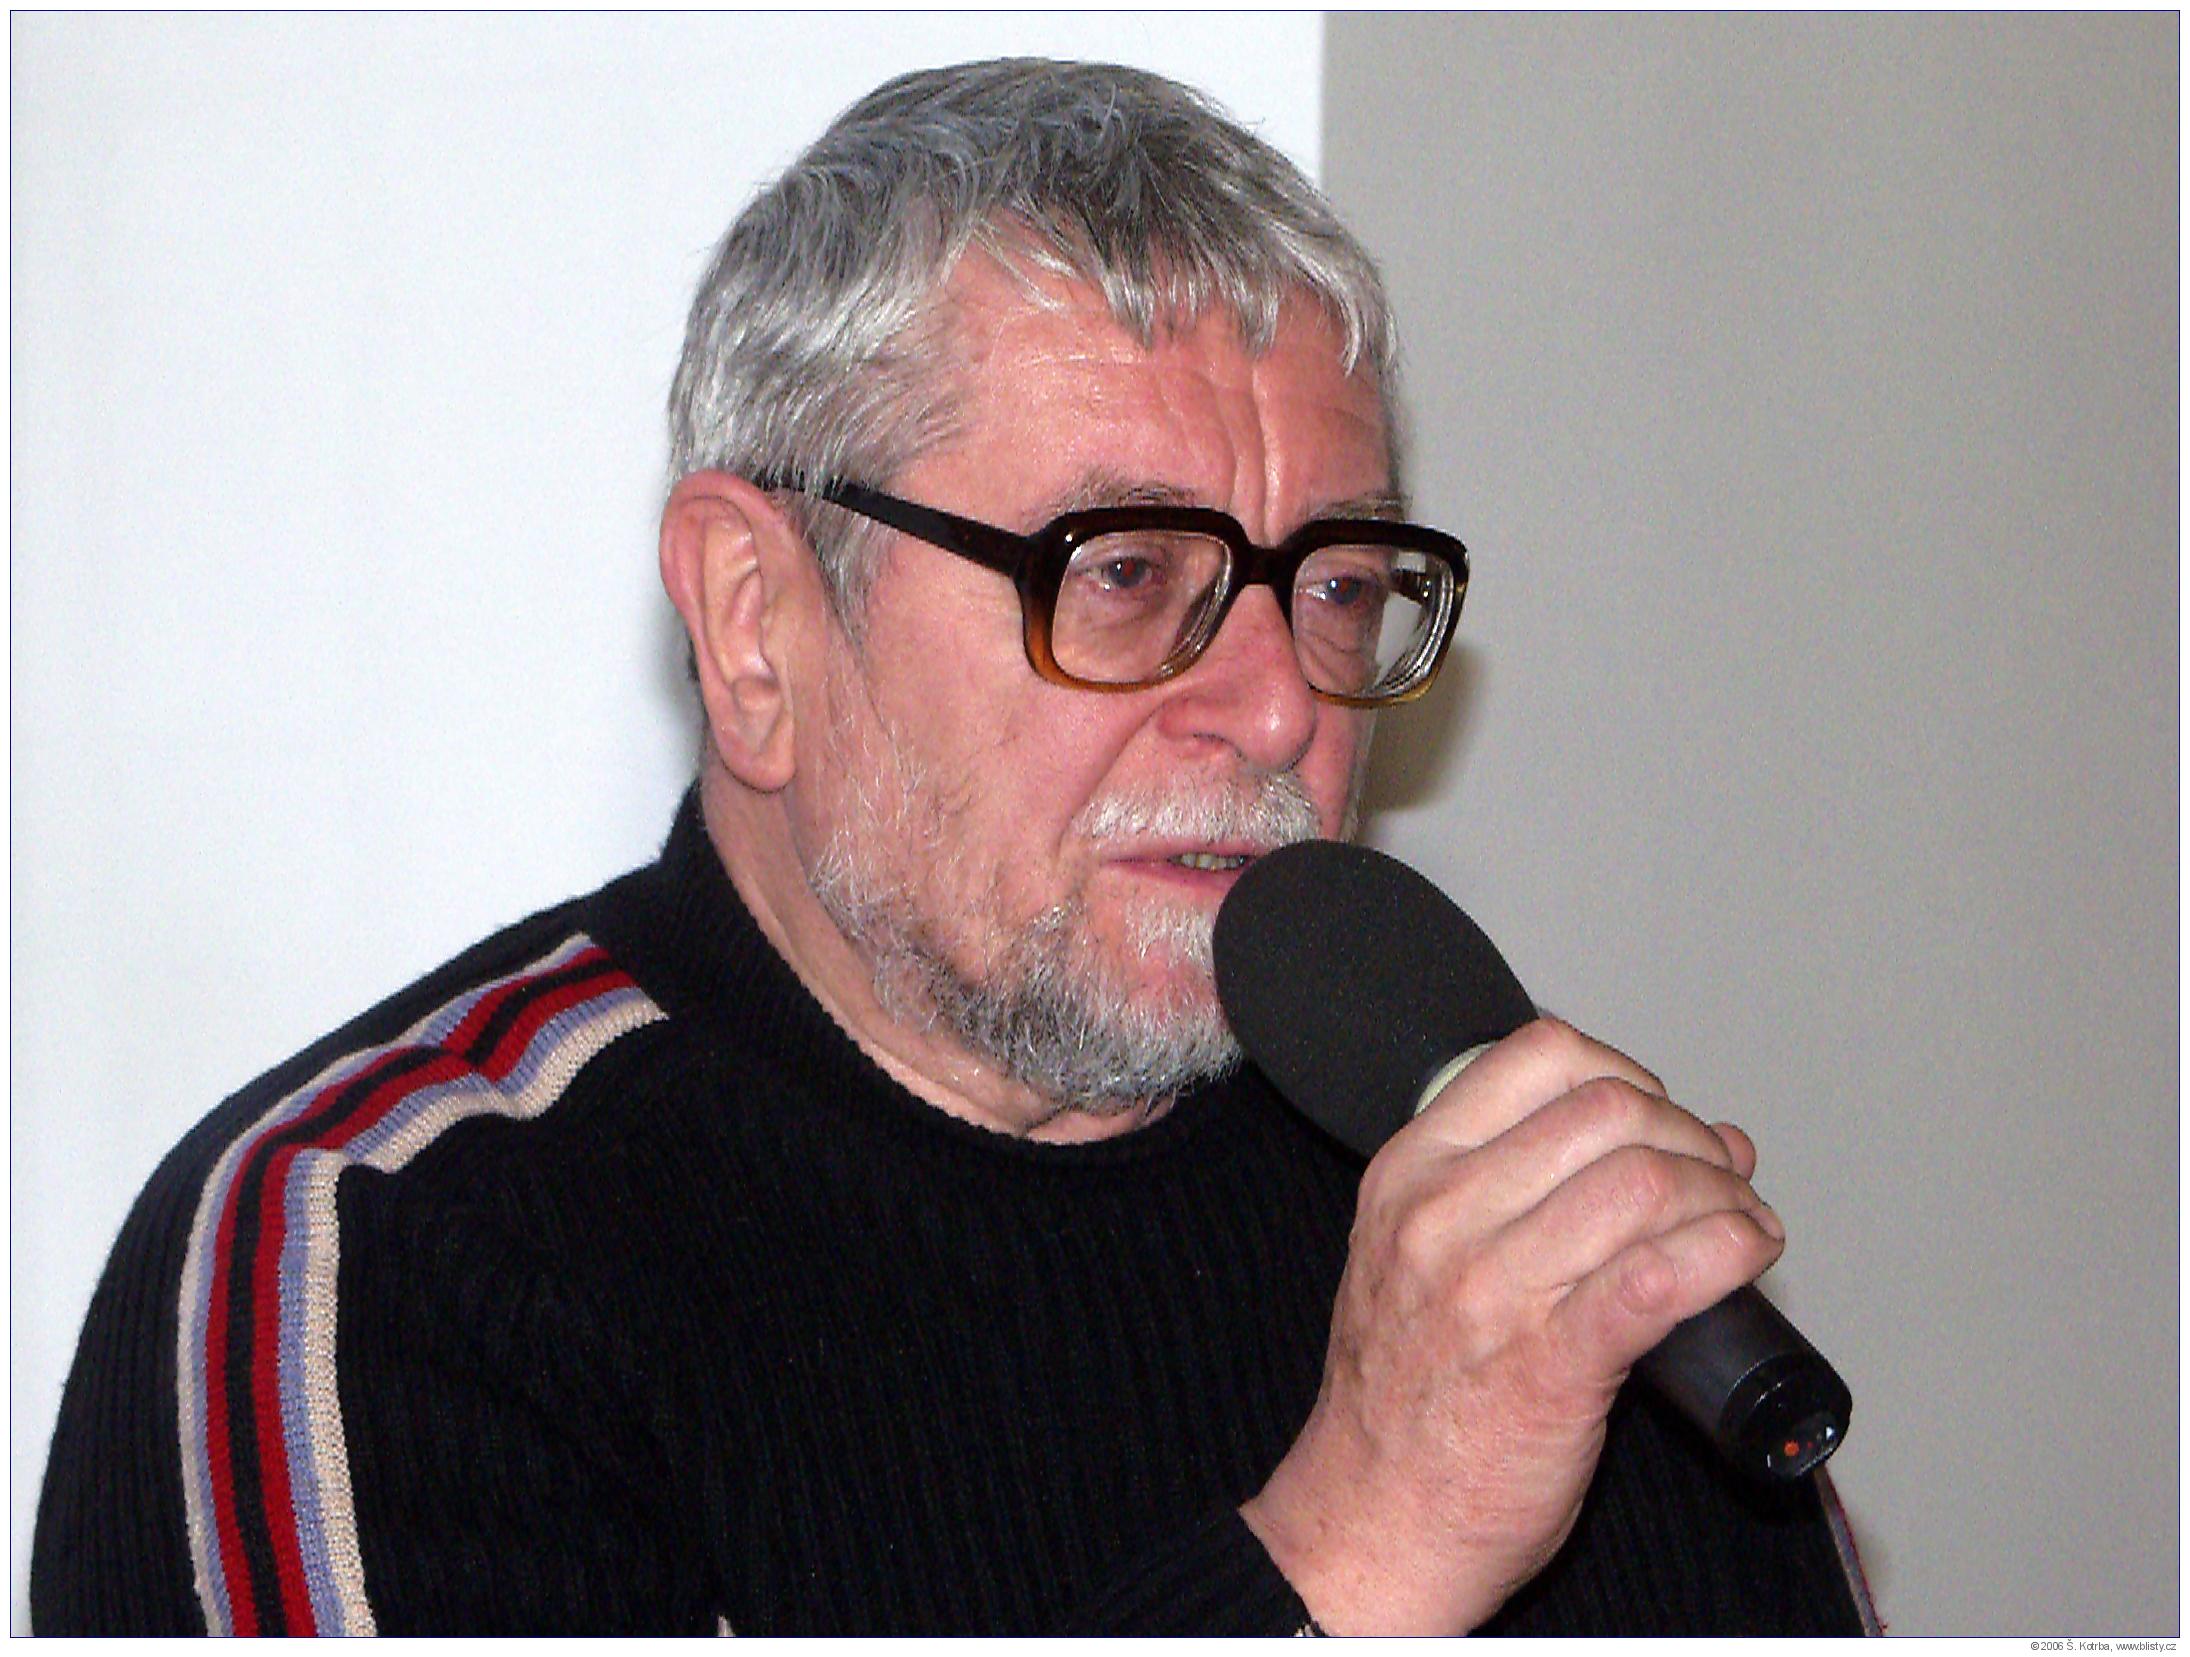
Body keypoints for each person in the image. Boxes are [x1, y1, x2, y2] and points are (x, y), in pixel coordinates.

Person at [32, 60, 1874, 1635]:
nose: (1272, 708)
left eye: (1331, 585)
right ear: (757, 622)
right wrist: (1352, 1556)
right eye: (1124, 572)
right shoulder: (382, 1257)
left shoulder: (1488, 1233)